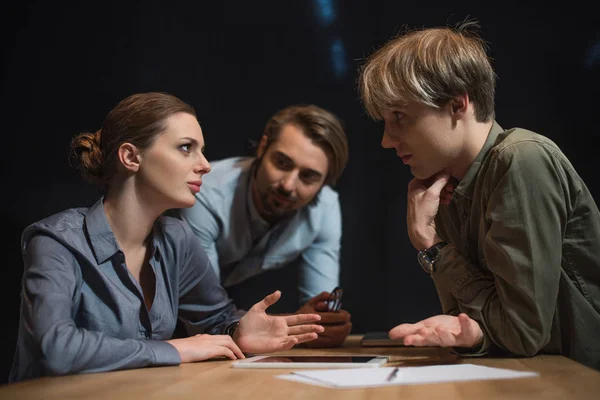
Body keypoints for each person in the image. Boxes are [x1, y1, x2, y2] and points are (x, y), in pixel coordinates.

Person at [10, 92, 324, 382]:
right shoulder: (56, 241)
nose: (204, 166)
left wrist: (239, 328)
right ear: (131, 157)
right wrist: (176, 349)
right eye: (186, 148)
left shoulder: (177, 239)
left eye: (202, 151)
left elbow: (216, 317)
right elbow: (55, 349)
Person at [358, 20, 600, 369]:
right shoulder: (450, 186)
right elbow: (479, 322)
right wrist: (473, 335)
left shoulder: (520, 159)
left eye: (399, 116)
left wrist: (431, 244)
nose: (386, 139)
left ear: (458, 105)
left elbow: (521, 333)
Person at [177, 104, 352, 347]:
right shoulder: (205, 195)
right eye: (282, 163)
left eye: (308, 176)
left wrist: (322, 324)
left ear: (324, 182)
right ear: (262, 147)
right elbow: (205, 316)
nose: (288, 185)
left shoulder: (325, 207)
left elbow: (321, 307)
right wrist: (290, 325)